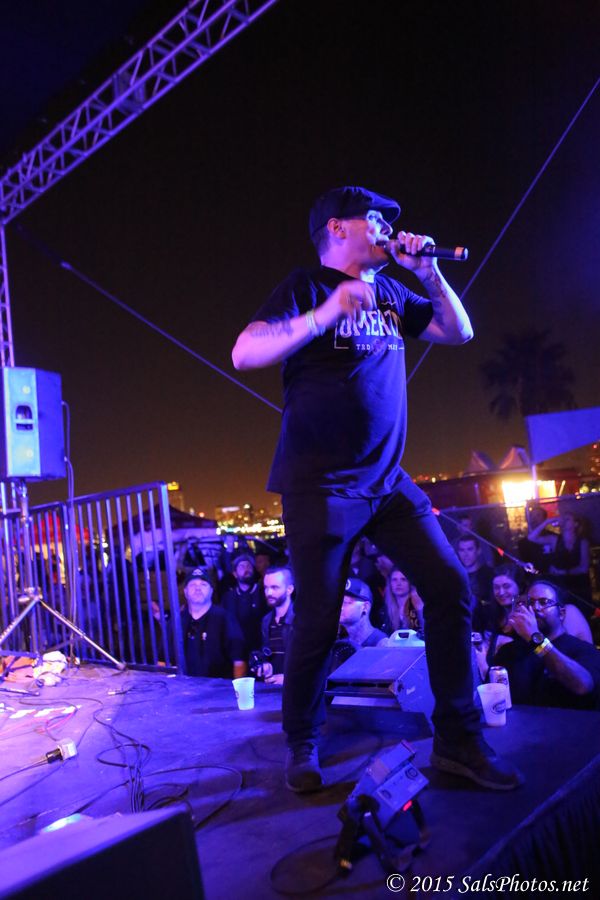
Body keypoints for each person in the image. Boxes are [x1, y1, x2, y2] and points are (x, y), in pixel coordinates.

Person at [232, 184, 522, 793]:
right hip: (320, 487)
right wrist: (327, 312)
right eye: (375, 219)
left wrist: (429, 273)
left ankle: (458, 740)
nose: (389, 229)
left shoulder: (391, 289)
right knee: (317, 618)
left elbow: (458, 332)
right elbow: (244, 352)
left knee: (449, 587)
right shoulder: (306, 286)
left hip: (386, 482)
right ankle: (302, 739)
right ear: (338, 228)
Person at [493, 580, 600, 710]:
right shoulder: (508, 651)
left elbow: (582, 686)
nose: (535, 608)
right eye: (530, 603)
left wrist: (535, 639)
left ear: (561, 613)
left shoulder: (584, 650)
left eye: (544, 602)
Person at [179, 568, 246, 678]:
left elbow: (239, 661)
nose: (198, 588)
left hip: (219, 687)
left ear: (211, 591)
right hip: (183, 687)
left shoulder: (225, 619)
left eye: (203, 585)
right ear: (185, 592)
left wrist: (236, 688)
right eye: (192, 585)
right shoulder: (177, 621)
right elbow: (163, 660)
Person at [221, 553, 267, 659]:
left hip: (260, 651)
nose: (246, 569)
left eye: (249, 566)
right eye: (242, 566)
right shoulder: (228, 597)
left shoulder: (263, 593)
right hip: (235, 654)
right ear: (235, 574)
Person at [258, 565, 296, 686]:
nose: (268, 592)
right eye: (266, 587)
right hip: (272, 686)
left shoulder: (301, 619)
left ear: (289, 589)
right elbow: (268, 652)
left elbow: (311, 660)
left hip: (296, 688)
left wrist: (290, 678)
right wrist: (265, 664)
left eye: (274, 587)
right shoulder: (266, 620)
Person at [338, 578, 388, 648]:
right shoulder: (341, 644)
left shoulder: (382, 645)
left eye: (346, 602)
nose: (341, 607)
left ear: (365, 607)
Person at [379, 567, 425, 636]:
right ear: (390, 584)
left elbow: (426, 632)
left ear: (410, 583)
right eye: (394, 580)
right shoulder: (384, 611)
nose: (398, 583)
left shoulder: (418, 606)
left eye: (403, 579)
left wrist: (419, 609)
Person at [456, 535, 494, 612]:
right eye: (462, 550)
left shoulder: (490, 574)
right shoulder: (455, 576)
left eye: (470, 549)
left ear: (478, 551)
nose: (465, 554)